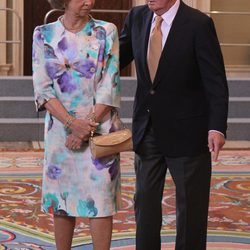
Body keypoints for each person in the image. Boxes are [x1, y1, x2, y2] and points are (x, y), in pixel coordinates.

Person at [120, 0, 229, 249]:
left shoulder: (198, 24)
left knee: (191, 209)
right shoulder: (137, 17)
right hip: (147, 129)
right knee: (144, 206)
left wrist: (216, 126)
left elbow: (215, 80)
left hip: (188, 132)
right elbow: (114, 59)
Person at [32, 0, 121, 249]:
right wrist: (72, 124)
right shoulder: (43, 34)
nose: (89, 1)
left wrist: (86, 126)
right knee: (62, 200)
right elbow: (42, 89)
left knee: (101, 200)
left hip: (99, 129)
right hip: (61, 131)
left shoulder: (106, 31)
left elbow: (109, 85)